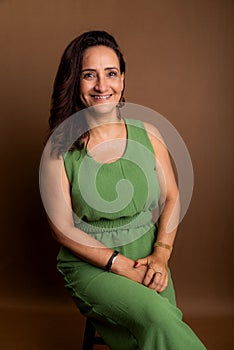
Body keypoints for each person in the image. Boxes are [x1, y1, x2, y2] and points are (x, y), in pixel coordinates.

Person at [40, 30, 206, 349]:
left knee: (162, 322)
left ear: (123, 79)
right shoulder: (58, 149)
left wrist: (160, 255)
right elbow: (61, 228)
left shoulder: (149, 133)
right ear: (75, 82)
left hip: (147, 252)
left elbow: (171, 197)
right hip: (91, 262)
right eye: (90, 75)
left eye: (111, 74)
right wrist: (120, 265)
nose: (103, 86)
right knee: (159, 318)